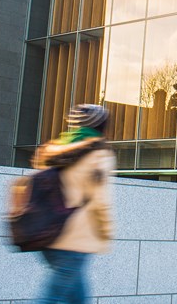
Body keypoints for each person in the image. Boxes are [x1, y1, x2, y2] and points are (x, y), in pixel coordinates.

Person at [33, 104, 116, 304]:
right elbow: (100, 199)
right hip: (75, 238)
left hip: (47, 236)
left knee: (76, 298)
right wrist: (106, 230)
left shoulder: (53, 150)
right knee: (53, 298)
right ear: (101, 126)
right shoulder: (98, 155)